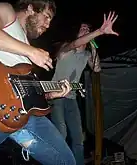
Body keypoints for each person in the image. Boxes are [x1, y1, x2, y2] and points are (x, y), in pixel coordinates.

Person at [0, 0, 76, 164]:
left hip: (24, 114)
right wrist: (31, 52)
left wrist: (51, 94)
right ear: (31, 8)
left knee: (67, 161)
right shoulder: (7, 12)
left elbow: (27, 90)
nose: (47, 25)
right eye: (46, 17)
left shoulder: (26, 49)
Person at [49, 11, 119, 165]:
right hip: (56, 95)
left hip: (72, 98)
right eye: (83, 29)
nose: (86, 31)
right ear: (76, 33)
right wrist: (98, 32)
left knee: (78, 138)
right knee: (61, 131)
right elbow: (75, 44)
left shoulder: (87, 54)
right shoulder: (65, 48)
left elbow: (97, 68)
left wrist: (93, 46)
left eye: (88, 29)